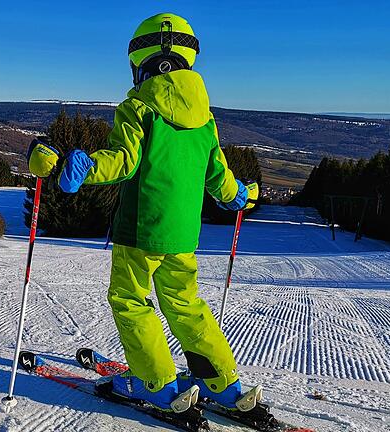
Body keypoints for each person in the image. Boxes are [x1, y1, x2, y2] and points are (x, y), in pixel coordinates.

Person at [27, 13, 259, 412]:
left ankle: (156, 384)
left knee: (130, 299)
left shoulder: (139, 106)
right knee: (186, 304)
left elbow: (123, 160)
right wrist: (238, 194)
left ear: (143, 60)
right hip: (184, 234)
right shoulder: (205, 118)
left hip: (141, 229)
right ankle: (223, 383)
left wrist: (75, 167)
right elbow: (218, 176)